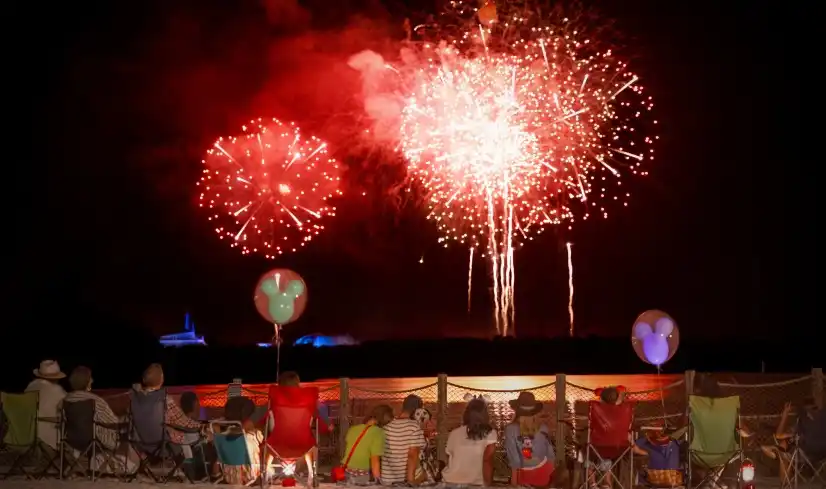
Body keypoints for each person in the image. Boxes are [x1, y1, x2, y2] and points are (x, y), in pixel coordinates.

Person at [131, 363, 204, 444]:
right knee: (197, 435)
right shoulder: (164, 399)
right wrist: (201, 427)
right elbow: (183, 423)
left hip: (142, 443)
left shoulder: (136, 397)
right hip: (161, 445)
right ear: (161, 380)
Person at [761, 398, 826, 482]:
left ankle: (785, 484)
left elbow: (778, 435)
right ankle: (777, 454)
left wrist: (785, 413)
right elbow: (780, 435)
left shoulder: (805, 421)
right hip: (822, 454)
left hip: (806, 454)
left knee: (782, 450)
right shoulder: (819, 420)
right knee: (782, 446)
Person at [442, 397, 498, 486]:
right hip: (475, 482)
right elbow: (487, 460)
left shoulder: (454, 433)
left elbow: (449, 457)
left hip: (450, 481)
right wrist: (487, 484)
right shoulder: (490, 433)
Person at [505, 392, 554, 488]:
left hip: (524, 474)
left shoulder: (510, 429)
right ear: (535, 411)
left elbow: (514, 460)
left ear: (517, 410)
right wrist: (550, 478)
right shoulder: (543, 428)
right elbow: (551, 455)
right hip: (545, 472)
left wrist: (514, 483)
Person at [340, 404, 393, 485]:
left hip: (345, 470)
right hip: (361, 473)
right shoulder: (378, 433)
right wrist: (378, 481)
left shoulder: (353, 429)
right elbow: (375, 460)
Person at [381, 394, 427, 485]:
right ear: (418, 410)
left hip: (387, 478)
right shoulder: (414, 426)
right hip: (406, 478)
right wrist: (410, 481)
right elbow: (413, 454)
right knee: (427, 473)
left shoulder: (386, 426)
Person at [25, 360, 67, 450]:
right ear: (57, 378)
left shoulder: (30, 387)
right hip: (48, 440)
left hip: (25, 435)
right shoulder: (58, 391)